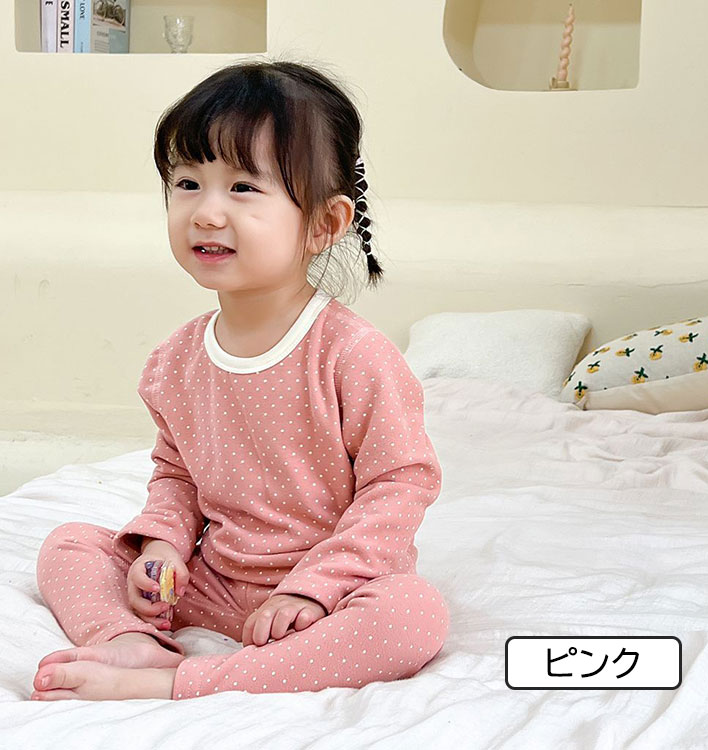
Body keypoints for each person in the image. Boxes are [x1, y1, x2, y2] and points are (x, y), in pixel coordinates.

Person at [31, 59, 449, 702]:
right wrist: (164, 547)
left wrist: (313, 589)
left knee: (413, 616)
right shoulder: (176, 358)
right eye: (187, 183)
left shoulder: (353, 354)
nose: (206, 212)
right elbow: (177, 475)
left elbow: (400, 483)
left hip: (329, 595)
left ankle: (183, 682)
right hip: (212, 585)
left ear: (324, 223)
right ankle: (128, 641)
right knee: (69, 545)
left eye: (244, 187)